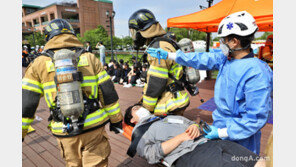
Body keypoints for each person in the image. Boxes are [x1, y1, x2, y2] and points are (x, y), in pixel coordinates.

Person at [147, 11, 273, 154]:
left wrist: (221, 133)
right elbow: (201, 58)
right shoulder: (226, 58)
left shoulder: (257, 72)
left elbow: (255, 119)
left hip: (241, 136)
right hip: (220, 127)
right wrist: (170, 55)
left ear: (234, 42)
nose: (222, 43)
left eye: (224, 40)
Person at [22, 19, 123, 166]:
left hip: (64, 130)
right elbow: (108, 93)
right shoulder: (89, 58)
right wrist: (116, 120)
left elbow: (27, 103)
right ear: (72, 33)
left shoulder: (38, 63)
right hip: (93, 127)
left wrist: (22, 131)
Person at [124, 104, 266, 167]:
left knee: (257, 161)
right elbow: (151, 155)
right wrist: (180, 138)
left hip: (212, 142)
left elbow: (192, 123)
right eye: (136, 109)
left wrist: (194, 126)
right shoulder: (141, 133)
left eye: (140, 106)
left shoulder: (165, 118)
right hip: (191, 153)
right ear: (131, 120)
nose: (141, 108)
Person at [128, 9, 189, 116]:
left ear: (141, 31)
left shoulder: (157, 49)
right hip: (176, 100)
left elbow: (156, 82)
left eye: (134, 32)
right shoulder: (164, 42)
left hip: (170, 104)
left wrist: (146, 109)